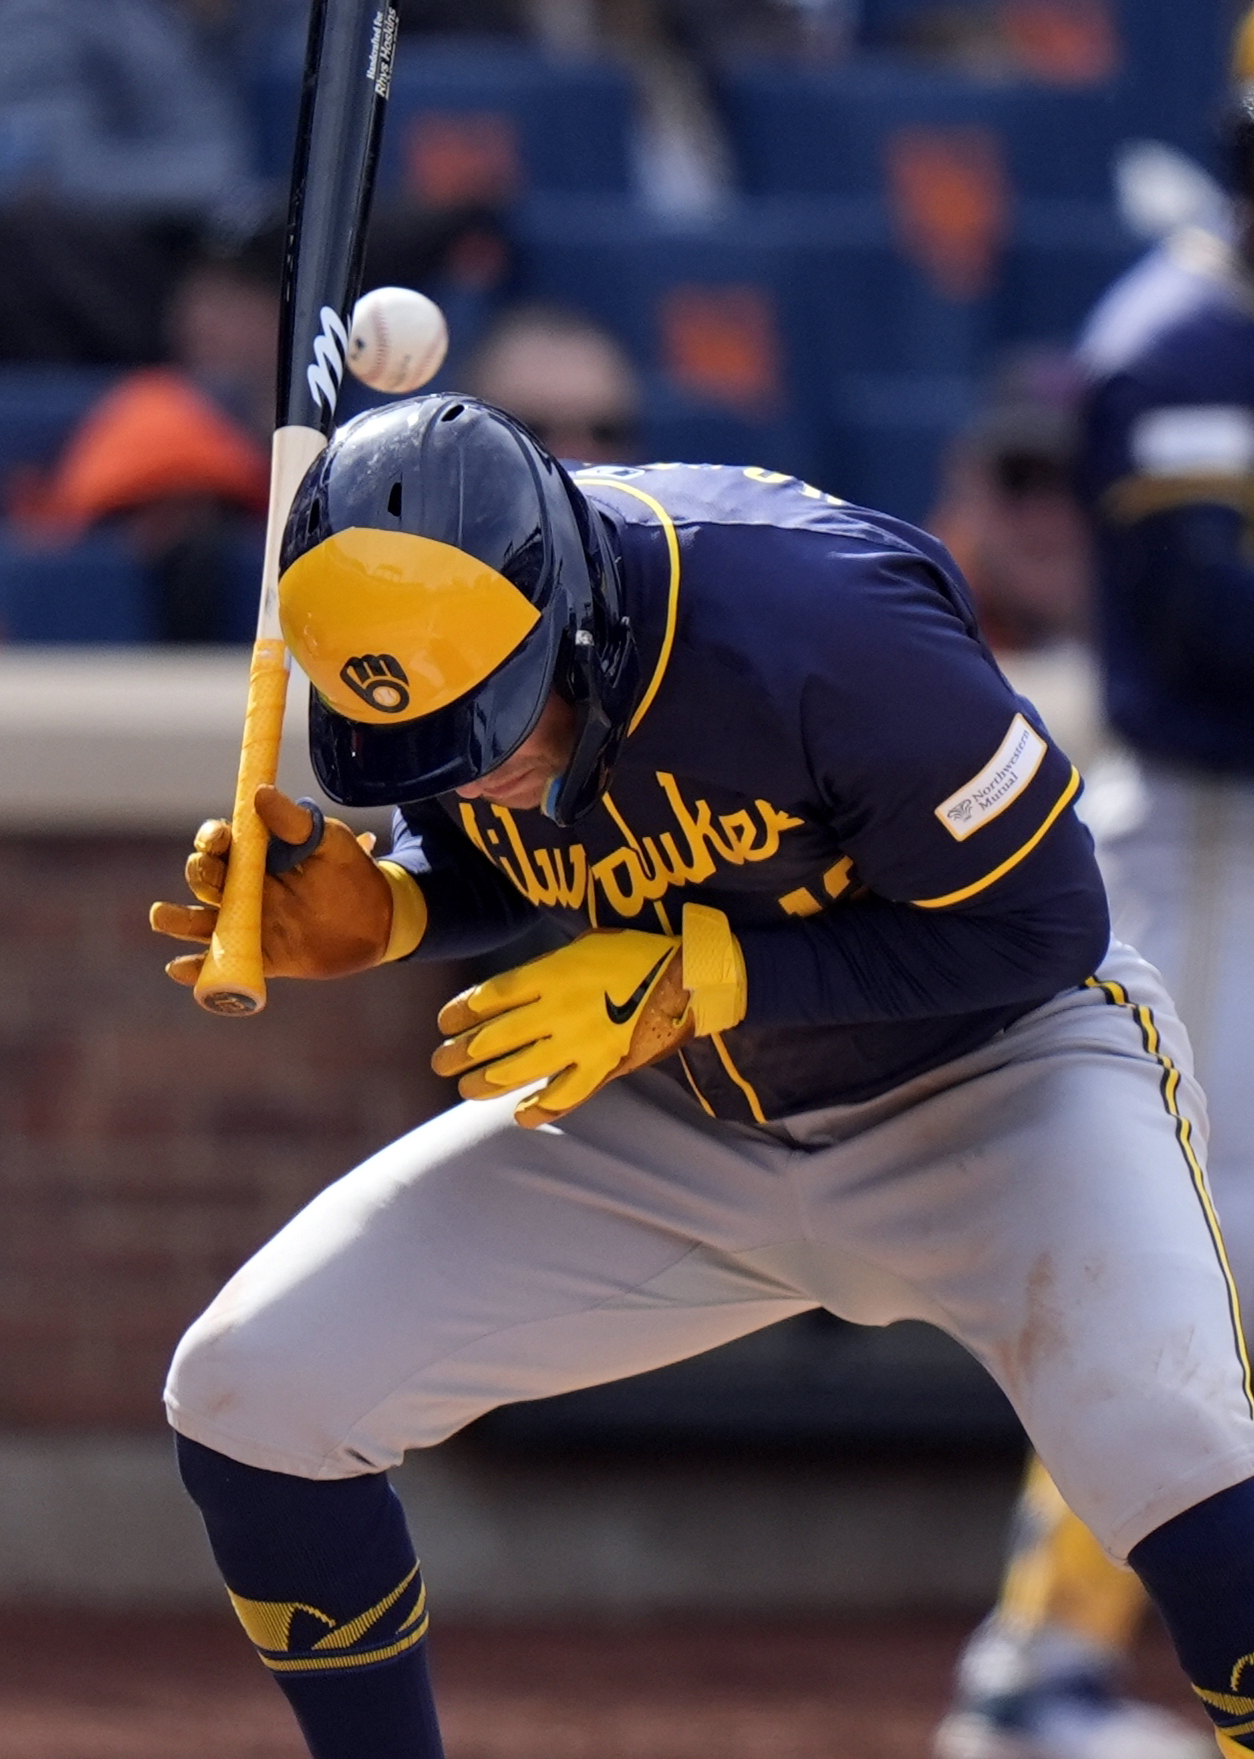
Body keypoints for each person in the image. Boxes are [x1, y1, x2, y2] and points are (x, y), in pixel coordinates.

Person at [151, 394, 1254, 1759]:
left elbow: (1040, 925)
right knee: (253, 1387)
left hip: (998, 1079)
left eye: (501, 723)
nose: (482, 771)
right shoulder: (438, 627)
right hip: (681, 1108)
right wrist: (392, 910)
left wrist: (703, 975)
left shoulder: (828, 617)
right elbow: (513, 842)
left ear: (575, 613)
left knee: (1178, 1446)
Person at [932, 57, 1254, 1759]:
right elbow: (1217, 634)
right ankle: (1038, 1660)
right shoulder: (1177, 345)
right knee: (1199, 1258)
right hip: (1207, 836)